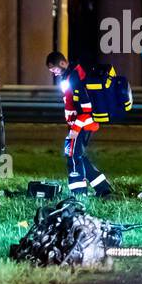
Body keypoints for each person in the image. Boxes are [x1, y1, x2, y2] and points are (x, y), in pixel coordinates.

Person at [47, 51, 112, 198]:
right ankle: (103, 188)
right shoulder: (71, 75)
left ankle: (78, 193)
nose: (54, 73)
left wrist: (75, 129)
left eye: (54, 69)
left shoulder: (75, 77)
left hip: (81, 125)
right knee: (80, 156)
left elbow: (86, 107)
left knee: (71, 154)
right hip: (79, 124)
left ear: (62, 63)